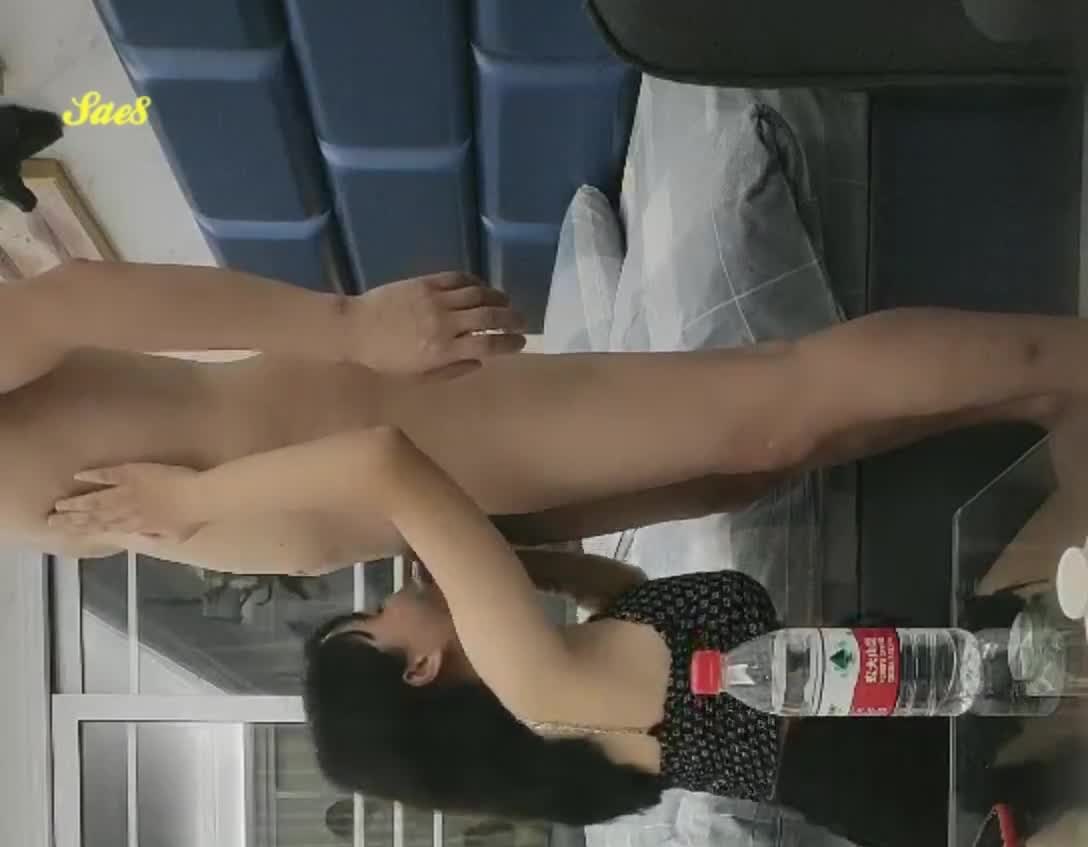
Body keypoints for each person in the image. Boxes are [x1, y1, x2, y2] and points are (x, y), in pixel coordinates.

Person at [286, 426, 1083, 847]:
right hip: (893, 747)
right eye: (378, 616)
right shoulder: (537, 690)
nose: (394, 596)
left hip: (889, 682)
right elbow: (386, 462)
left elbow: (624, 590)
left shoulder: (573, 667)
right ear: (418, 669)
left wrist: (520, 566)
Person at [24, 257, 1088, 577]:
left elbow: (62, 301)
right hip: (375, 509)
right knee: (745, 470)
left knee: (769, 409)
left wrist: (348, 324)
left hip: (329, 429)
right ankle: (1040, 395)